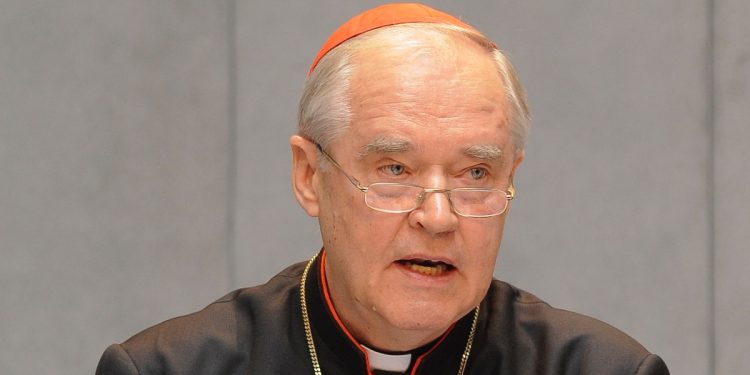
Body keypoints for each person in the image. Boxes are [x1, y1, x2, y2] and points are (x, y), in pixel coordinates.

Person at [96, 3, 670, 374]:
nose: (439, 217)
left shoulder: (601, 370)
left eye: (476, 175)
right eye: (395, 170)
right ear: (308, 177)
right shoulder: (169, 371)